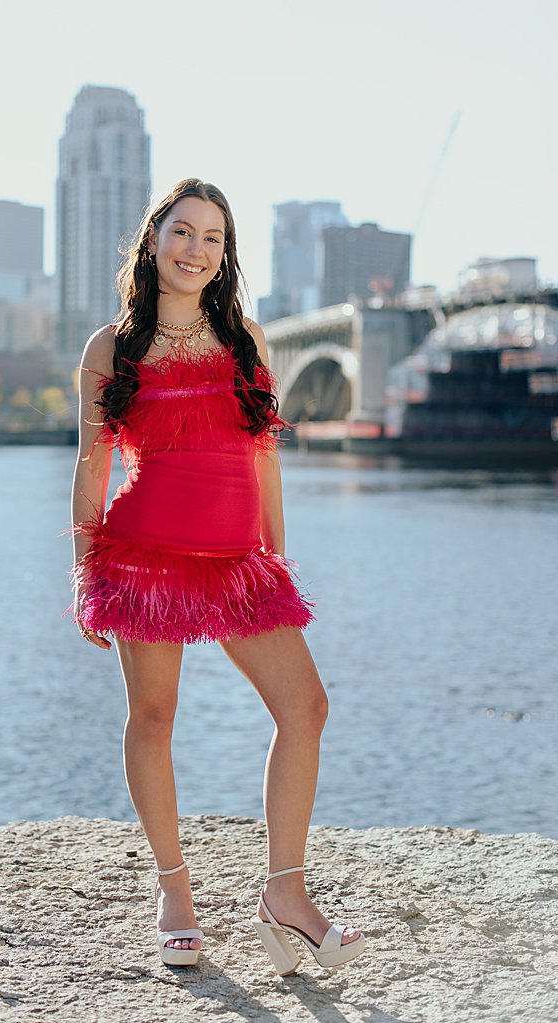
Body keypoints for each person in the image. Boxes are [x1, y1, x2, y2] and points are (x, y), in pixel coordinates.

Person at [70, 179, 365, 975]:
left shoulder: (246, 343)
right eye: (182, 231)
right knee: (155, 718)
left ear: (225, 255)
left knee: (306, 707)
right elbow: (90, 472)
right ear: (153, 238)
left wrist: (275, 556)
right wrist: (83, 574)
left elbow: (265, 462)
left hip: (239, 565)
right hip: (142, 560)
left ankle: (285, 893)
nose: (196, 249)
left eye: (213, 238)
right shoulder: (111, 349)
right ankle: (174, 891)